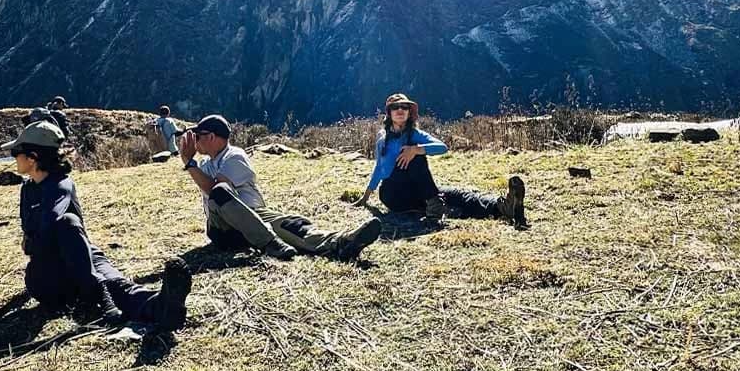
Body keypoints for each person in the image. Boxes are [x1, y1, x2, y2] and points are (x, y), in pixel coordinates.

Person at [7, 120, 191, 328]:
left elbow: (44, 229)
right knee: (71, 228)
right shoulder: (28, 190)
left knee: (116, 283)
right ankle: (102, 297)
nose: (14, 158)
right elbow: (36, 238)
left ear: (33, 157)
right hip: (48, 272)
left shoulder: (60, 185)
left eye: (16, 153)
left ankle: (162, 308)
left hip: (81, 256)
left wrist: (34, 242)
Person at [179, 114, 382, 261]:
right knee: (219, 193)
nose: (194, 141)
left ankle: (340, 242)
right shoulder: (205, 165)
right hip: (224, 229)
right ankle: (271, 243)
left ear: (211, 137)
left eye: (198, 136)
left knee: (291, 224)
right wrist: (192, 164)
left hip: (254, 216)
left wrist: (189, 163)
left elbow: (215, 185)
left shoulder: (234, 156)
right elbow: (215, 193)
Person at [353, 93, 527, 227]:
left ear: (408, 113)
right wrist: (366, 197)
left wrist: (416, 149)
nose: (400, 110)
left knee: (459, 195)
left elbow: (442, 147)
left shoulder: (414, 134)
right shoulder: (382, 138)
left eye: (404, 107)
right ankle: (436, 206)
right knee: (416, 158)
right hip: (393, 194)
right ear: (389, 113)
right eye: (395, 107)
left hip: (419, 191)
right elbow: (378, 168)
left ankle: (503, 207)